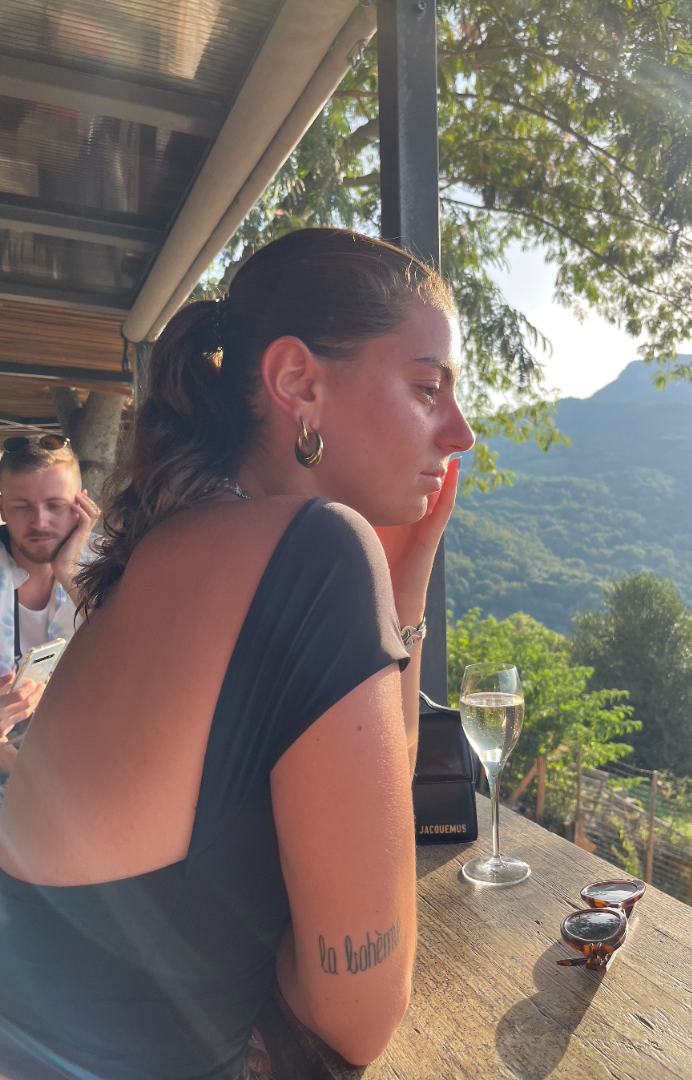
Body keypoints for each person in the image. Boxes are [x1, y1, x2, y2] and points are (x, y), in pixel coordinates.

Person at [0, 228, 474, 1080]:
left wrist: (403, 586)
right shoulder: (313, 550)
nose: (460, 433)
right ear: (297, 381)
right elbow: (358, 1018)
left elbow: (374, 796)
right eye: (427, 387)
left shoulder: (167, 551)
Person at [0, 437, 98, 787]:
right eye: (22, 507)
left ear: (82, 505)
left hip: (83, 749)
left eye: (55, 505)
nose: (40, 522)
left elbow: (129, 656)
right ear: (2, 510)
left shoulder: (106, 566)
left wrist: (69, 574)